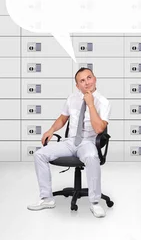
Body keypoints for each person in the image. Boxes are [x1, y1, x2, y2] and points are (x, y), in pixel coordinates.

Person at [27, 67, 111, 218]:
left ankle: (94, 203)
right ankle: (46, 198)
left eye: (89, 78)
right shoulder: (72, 98)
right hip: (70, 142)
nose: (87, 83)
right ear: (77, 85)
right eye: (82, 81)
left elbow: (99, 129)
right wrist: (51, 130)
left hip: (88, 142)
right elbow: (62, 118)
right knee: (39, 154)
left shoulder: (103, 102)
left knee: (92, 157)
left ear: (95, 79)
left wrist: (91, 104)